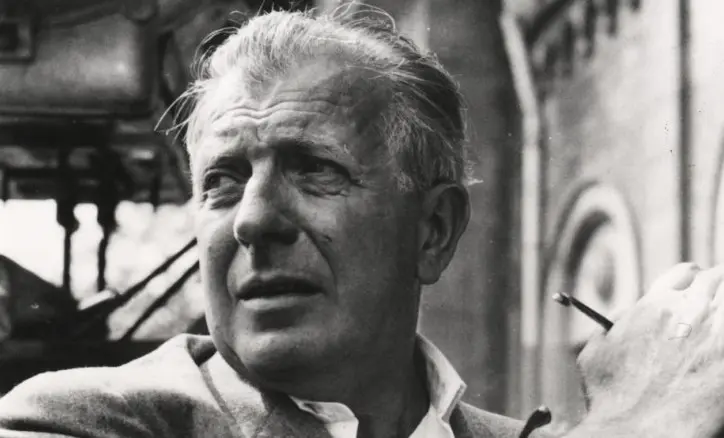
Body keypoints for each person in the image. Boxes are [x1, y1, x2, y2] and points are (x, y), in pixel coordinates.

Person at [2, 8, 724, 438]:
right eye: (221, 182)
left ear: (433, 230)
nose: (252, 220)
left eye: (313, 169)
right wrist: (640, 420)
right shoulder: (76, 421)